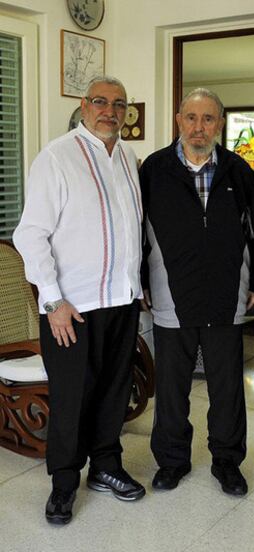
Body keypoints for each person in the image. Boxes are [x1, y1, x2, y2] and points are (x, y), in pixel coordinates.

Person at [13, 76, 146, 525]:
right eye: (100, 102)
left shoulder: (128, 157)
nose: (109, 111)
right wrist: (53, 302)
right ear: (84, 105)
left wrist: (138, 288)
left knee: (113, 391)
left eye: (119, 104)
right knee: (72, 398)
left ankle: (106, 467)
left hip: (122, 300)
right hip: (74, 308)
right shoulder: (57, 156)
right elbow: (30, 235)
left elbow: (132, 230)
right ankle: (64, 484)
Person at [139, 88, 254, 496]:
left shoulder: (239, 170)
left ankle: (227, 461)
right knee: (172, 387)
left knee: (227, 387)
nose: (199, 127)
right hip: (170, 293)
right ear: (179, 121)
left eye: (208, 118)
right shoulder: (154, 169)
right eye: (191, 118)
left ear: (220, 124)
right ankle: (172, 461)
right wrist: (141, 279)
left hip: (226, 294)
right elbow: (137, 231)